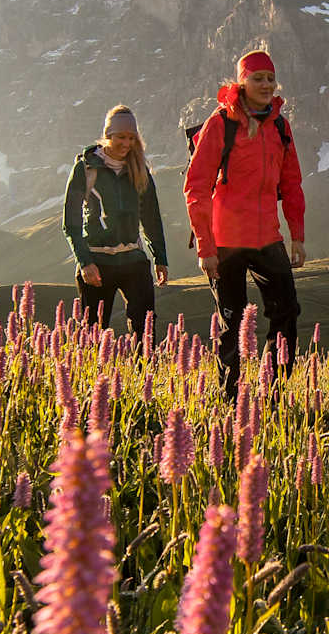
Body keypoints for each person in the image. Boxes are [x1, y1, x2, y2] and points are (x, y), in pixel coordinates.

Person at [184, 49, 306, 394]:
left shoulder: (280, 126)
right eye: (258, 78)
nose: (266, 84)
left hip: (268, 236)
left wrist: (297, 236)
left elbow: (292, 184)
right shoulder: (220, 123)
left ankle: (273, 392)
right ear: (242, 81)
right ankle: (232, 400)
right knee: (232, 322)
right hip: (225, 241)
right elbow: (195, 186)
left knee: (286, 312)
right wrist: (206, 248)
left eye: (270, 78)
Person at [62, 105, 170, 332]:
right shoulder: (86, 169)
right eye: (121, 137)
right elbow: (71, 223)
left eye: (132, 138)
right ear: (108, 135)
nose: (126, 143)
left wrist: (160, 258)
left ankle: (142, 368)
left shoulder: (140, 170)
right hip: (97, 263)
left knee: (145, 332)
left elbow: (151, 218)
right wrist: (85, 262)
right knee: (93, 334)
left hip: (134, 261)